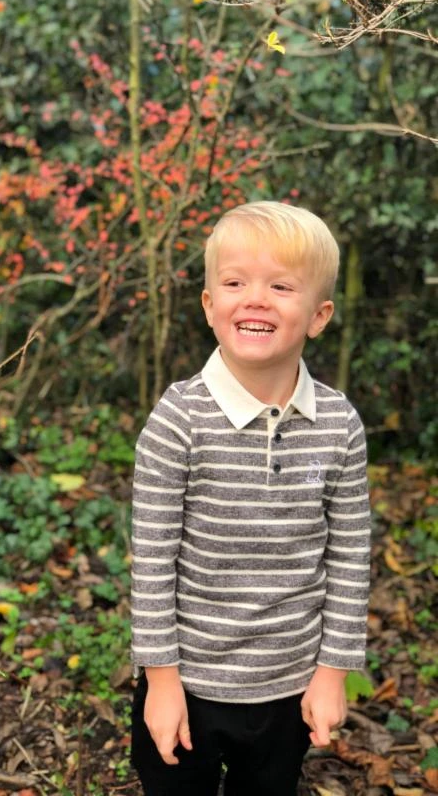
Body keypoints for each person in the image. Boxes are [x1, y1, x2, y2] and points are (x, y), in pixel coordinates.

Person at [130, 201, 371, 796]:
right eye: (236, 283)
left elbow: (349, 555)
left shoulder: (339, 423)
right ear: (210, 305)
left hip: (290, 684)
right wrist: (161, 681)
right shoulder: (179, 419)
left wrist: (332, 672)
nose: (256, 299)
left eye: (281, 287)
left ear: (318, 316)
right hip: (187, 683)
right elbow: (153, 559)